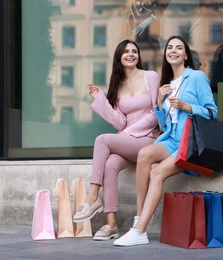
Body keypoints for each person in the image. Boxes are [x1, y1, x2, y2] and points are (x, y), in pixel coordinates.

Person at [113, 36, 218, 246]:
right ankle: (139, 216)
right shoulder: (167, 84)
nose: (173, 51)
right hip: (171, 138)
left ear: (186, 55)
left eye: (179, 48)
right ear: (166, 54)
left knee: (157, 172)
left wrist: (188, 107)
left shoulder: (196, 77)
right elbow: (165, 123)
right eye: (170, 48)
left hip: (189, 142)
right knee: (144, 154)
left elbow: (212, 112)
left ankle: (140, 230)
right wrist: (160, 104)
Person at [72, 39, 160, 241]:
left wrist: (128, 133)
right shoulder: (118, 85)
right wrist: (100, 100)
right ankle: (111, 224)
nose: (131, 54)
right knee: (110, 165)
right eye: (126, 51)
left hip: (148, 139)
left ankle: (93, 196)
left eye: (134, 51)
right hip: (128, 141)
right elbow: (120, 122)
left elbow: (157, 112)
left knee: (102, 140)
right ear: (119, 57)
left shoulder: (150, 77)